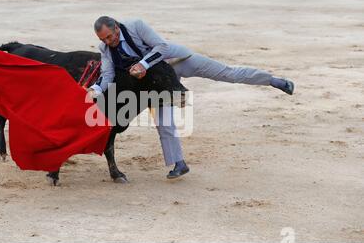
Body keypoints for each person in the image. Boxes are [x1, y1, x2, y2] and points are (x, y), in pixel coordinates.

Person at [88, 16, 295, 179]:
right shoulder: (105, 49)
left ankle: (272, 80)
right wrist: (95, 89)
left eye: (110, 36)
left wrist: (143, 64)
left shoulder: (135, 25)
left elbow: (162, 47)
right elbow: (108, 75)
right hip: (156, 81)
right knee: (163, 120)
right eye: (103, 39)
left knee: (226, 73)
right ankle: (179, 163)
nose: (109, 41)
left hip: (177, 61)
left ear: (116, 27)